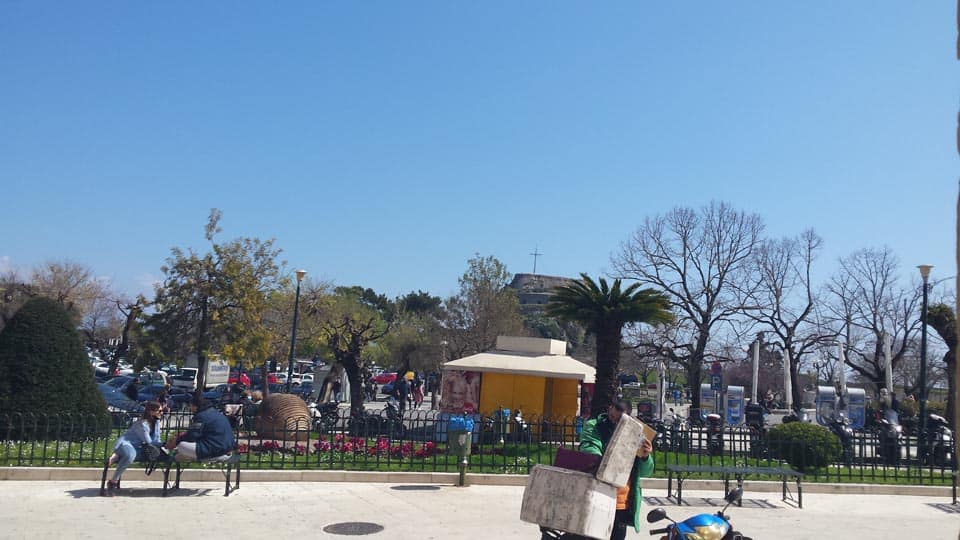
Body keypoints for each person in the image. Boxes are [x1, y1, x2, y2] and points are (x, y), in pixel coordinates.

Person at [580, 400, 654, 540]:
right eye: (612, 417)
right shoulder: (595, 426)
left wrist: (645, 457)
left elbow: (646, 472)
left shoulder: (635, 432)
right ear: (609, 409)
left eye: (619, 420)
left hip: (621, 501)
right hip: (598, 494)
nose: (613, 422)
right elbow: (590, 448)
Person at [103, 401, 164, 496]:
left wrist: (163, 444)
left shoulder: (156, 423)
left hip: (138, 447)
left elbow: (157, 439)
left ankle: (114, 457)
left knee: (130, 455)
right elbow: (148, 441)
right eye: (159, 411)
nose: (162, 413)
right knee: (130, 456)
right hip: (127, 443)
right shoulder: (142, 424)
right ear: (151, 411)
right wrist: (164, 444)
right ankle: (113, 482)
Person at [166, 396, 235, 463]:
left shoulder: (201, 416)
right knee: (184, 449)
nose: (190, 408)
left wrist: (176, 441)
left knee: (181, 445)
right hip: (227, 451)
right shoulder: (216, 413)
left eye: (190, 406)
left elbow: (192, 436)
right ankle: (181, 457)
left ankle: (189, 458)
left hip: (215, 452)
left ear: (195, 406)